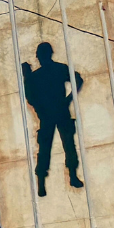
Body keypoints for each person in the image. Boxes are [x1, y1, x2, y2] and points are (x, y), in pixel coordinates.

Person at [21, 41, 86, 197]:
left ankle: (67, 176)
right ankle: (43, 183)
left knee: (63, 146)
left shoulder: (52, 71)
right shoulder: (51, 71)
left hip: (55, 112)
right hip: (52, 113)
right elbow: (30, 96)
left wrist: (69, 99)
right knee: (49, 147)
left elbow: (78, 80)